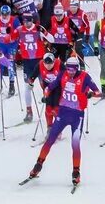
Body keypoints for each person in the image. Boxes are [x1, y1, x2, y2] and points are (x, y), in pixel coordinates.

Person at [27, 55, 100, 187]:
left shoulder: (84, 77)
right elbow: (50, 87)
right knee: (50, 139)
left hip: (77, 116)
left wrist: (91, 94)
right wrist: (46, 94)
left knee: (75, 144)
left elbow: (98, 92)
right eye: (68, 69)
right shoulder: (62, 74)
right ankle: (38, 165)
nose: (70, 72)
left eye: (73, 70)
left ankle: (76, 172)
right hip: (63, 113)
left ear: (77, 68)